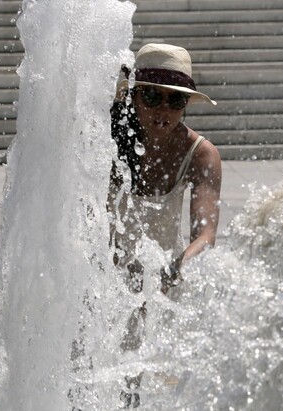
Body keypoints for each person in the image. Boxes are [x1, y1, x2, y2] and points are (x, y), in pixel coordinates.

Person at [107, 43, 222, 407]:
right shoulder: (105, 143)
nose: (163, 111)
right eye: (153, 97)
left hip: (162, 280)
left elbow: (205, 233)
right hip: (102, 278)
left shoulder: (201, 152)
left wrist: (178, 267)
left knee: (148, 384)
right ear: (135, 97)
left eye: (175, 101)